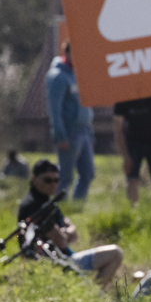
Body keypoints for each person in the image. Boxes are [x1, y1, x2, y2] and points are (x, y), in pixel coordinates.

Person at [18, 159, 123, 291]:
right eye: (47, 180)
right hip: (58, 263)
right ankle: (95, 297)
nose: (53, 184)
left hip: (63, 258)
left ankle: (92, 294)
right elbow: (62, 241)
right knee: (115, 254)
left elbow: (71, 234)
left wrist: (66, 231)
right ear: (34, 179)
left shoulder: (46, 202)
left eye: (56, 180)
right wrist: (68, 231)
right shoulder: (35, 207)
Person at [46, 41, 95, 201]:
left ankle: (77, 206)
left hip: (85, 130)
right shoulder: (58, 77)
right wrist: (61, 135)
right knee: (65, 176)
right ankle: (59, 208)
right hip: (70, 132)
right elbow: (55, 110)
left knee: (88, 173)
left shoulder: (79, 74)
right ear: (67, 53)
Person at [113, 95, 151, 206]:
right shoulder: (123, 99)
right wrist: (125, 156)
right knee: (132, 178)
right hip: (133, 144)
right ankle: (133, 213)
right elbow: (118, 130)